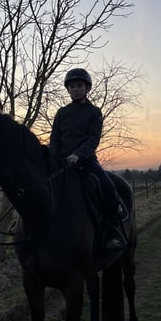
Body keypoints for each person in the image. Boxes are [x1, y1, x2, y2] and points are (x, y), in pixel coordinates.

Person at [49, 68, 128, 251]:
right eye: (72, 86)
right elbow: (55, 138)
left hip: (85, 161)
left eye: (79, 85)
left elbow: (93, 139)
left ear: (87, 88)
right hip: (61, 163)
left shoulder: (94, 112)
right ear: (68, 89)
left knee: (108, 187)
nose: (75, 89)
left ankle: (112, 232)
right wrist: (52, 156)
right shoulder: (61, 113)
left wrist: (77, 155)